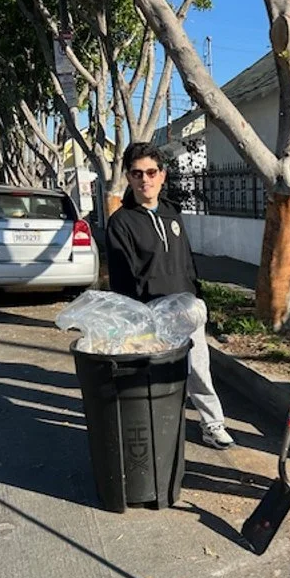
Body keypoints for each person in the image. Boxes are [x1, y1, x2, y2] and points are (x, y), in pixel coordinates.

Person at [106, 141, 234, 450]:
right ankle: (158, 429)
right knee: (156, 378)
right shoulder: (121, 223)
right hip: (150, 314)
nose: (145, 180)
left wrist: (198, 298)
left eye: (151, 172)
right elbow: (122, 278)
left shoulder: (171, 213)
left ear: (162, 175)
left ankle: (212, 424)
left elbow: (186, 259)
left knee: (199, 369)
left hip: (186, 309)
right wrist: (137, 320)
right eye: (137, 174)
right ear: (128, 177)